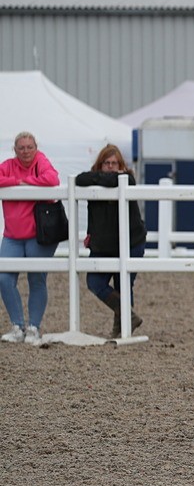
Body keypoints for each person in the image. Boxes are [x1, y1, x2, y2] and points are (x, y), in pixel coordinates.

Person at [76, 145, 147, 337]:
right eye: (106, 163)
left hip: (132, 242)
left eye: (114, 163)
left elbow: (120, 180)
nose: (110, 166)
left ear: (121, 165)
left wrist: (104, 178)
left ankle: (121, 329)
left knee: (123, 284)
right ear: (100, 164)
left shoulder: (128, 179)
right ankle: (128, 317)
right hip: (104, 245)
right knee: (94, 281)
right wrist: (91, 232)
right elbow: (79, 180)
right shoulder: (92, 180)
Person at [0, 132, 61, 344]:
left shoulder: (41, 161)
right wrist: (19, 181)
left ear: (36, 147)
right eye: (21, 148)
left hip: (38, 235)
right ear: (14, 150)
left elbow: (52, 178)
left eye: (29, 147)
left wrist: (23, 182)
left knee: (37, 279)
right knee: (4, 279)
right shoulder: (7, 165)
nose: (26, 151)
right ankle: (18, 326)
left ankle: (34, 326)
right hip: (12, 236)